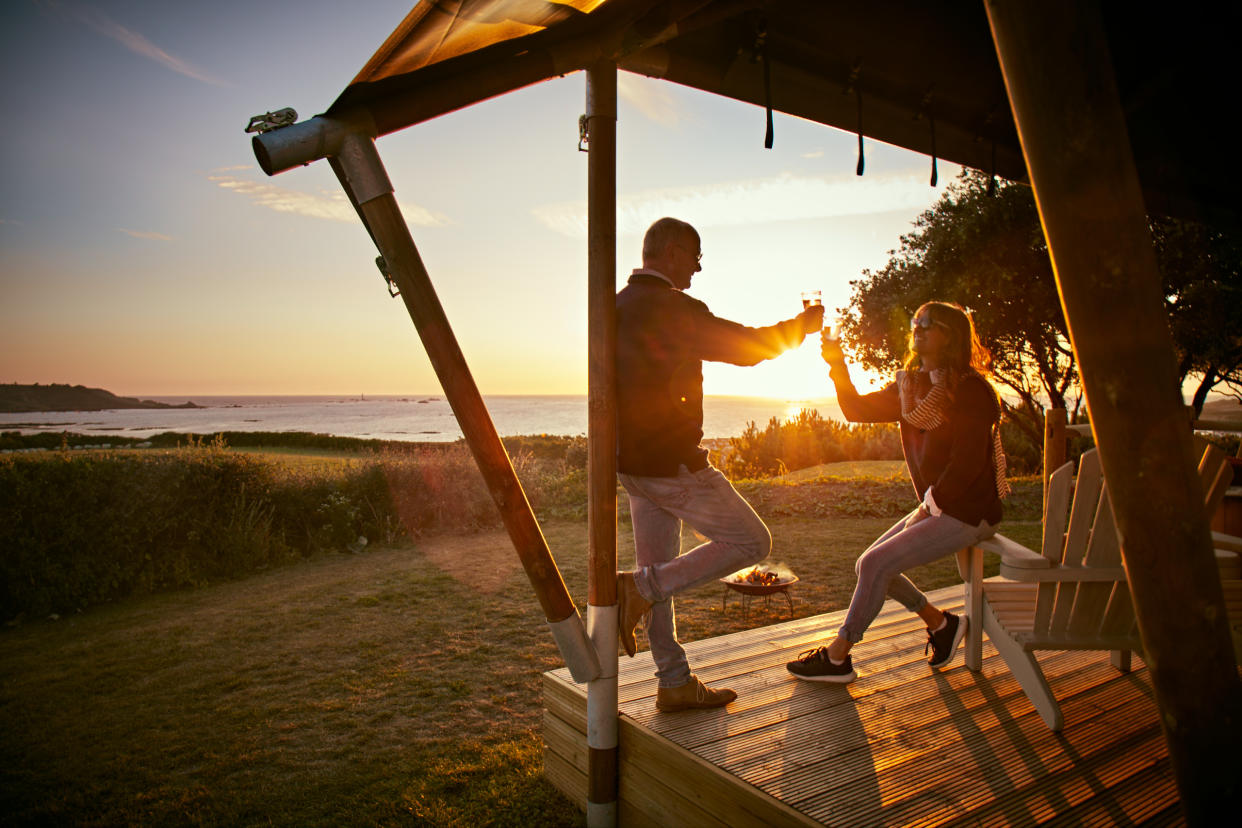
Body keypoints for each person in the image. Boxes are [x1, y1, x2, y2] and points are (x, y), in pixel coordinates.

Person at [615, 217, 824, 712]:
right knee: (752, 542)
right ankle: (638, 589)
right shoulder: (674, 309)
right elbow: (748, 348)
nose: (699, 267)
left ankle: (673, 682)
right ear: (668, 252)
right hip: (671, 464)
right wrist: (801, 328)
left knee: (659, 570)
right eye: (694, 255)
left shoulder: (614, 306)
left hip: (631, 466)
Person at [787, 301, 1008, 684]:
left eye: (929, 323)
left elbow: (969, 461)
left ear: (950, 335)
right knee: (868, 565)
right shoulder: (912, 386)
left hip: (970, 511)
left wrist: (931, 506)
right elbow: (855, 409)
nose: (918, 328)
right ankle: (941, 625)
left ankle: (838, 656)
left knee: (875, 565)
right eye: (915, 321)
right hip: (938, 506)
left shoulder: (972, 390)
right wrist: (837, 364)